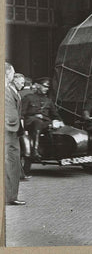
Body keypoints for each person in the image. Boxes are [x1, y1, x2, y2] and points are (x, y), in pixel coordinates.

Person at [21, 77, 64, 159]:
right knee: (38, 123)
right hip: (31, 122)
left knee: (54, 127)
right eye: (44, 86)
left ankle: (53, 152)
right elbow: (22, 113)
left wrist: (61, 122)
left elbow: (55, 114)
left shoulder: (48, 100)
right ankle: (35, 151)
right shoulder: (28, 98)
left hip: (45, 123)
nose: (46, 89)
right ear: (37, 85)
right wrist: (22, 126)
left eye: (47, 87)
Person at [4, 62, 25, 205]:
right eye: (13, 73)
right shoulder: (6, 90)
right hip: (9, 134)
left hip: (12, 133)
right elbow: (10, 115)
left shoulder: (9, 90)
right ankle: (11, 197)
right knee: (12, 164)